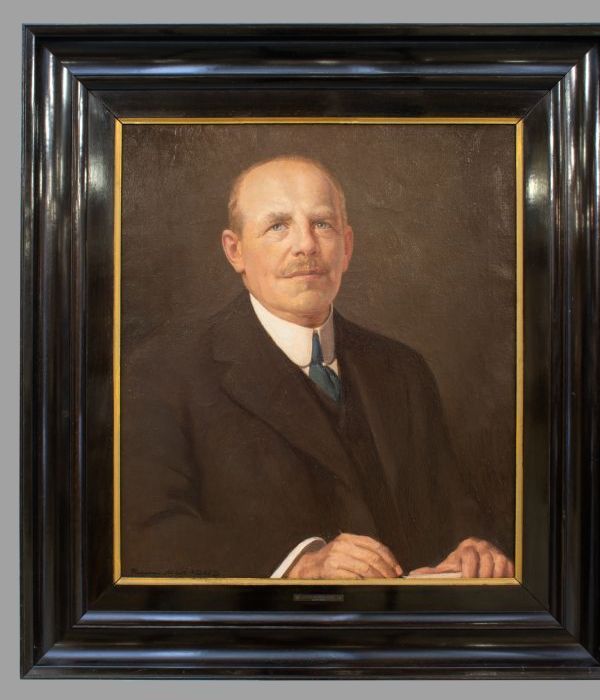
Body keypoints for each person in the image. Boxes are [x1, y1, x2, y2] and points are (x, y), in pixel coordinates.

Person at [121, 155, 513, 580]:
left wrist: (473, 546)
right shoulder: (163, 372)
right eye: (278, 226)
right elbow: (147, 534)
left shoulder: (403, 370)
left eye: (322, 224)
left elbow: (453, 513)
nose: (306, 245)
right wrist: (297, 564)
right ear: (235, 251)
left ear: (347, 247)